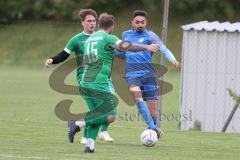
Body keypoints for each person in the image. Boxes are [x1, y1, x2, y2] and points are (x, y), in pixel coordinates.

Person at [68, 13, 160, 153]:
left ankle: (90, 146)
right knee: (111, 115)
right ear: (111, 26)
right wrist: (146, 48)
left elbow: (117, 53)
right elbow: (126, 46)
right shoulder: (108, 37)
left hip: (85, 81)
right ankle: (77, 123)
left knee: (97, 113)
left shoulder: (91, 38)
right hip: (99, 82)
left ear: (99, 24)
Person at [44, 9, 114, 144]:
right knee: (99, 109)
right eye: (89, 21)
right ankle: (89, 134)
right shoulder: (76, 39)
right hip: (85, 78)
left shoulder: (102, 37)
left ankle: (97, 133)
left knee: (102, 108)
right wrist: (52, 60)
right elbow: (64, 54)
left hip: (103, 78)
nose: (92, 23)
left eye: (94, 21)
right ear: (82, 22)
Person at [115, 10, 180, 136]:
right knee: (137, 97)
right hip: (131, 74)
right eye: (137, 22)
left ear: (146, 23)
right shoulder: (125, 34)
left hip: (148, 75)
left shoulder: (151, 36)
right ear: (132, 23)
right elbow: (124, 52)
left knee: (153, 112)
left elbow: (163, 48)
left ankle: (152, 131)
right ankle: (153, 129)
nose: (140, 24)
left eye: (142, 22)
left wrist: (173, 60)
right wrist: (111, 52)